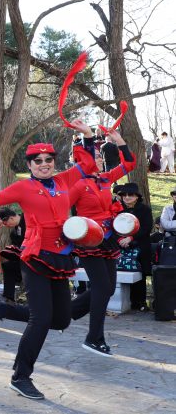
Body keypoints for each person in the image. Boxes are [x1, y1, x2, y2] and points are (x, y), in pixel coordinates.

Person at [0, 120, 97, 401]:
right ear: (31, 164)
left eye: (49, 159)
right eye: (38, 160)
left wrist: (87, 136)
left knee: (60, 320)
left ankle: (4, 309)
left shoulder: (63, 181)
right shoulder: (22, 188)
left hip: (60, 258)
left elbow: (88, 166)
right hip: (35, 257)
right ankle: (20, 376)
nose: (44, 164)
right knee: (41, 319)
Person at [68, 130, 135, 355]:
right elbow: (59, 211)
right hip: (89, 241)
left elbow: (130, 164)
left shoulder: (105, 179)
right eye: (94, 155)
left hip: (108, 241)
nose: (99, 158)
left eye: (99, 154)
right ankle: (93, 337)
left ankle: (68, 311)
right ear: (81, 160)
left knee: (105, 288)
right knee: (102, 287)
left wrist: (120, 142)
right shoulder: (77, 185)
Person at [119, 183, 154, 311]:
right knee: (122, 272)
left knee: (139, 274)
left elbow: (146, 228)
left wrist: (131, 238)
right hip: (121, 246)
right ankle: (123, 302)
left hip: (140, 245)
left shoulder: (145, 210)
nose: (127, 197)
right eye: (125, 195)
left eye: (130, 195)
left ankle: (139, 303)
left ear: (137, 197)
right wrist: (121, 240)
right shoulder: (117, 209)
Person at [0, 208, 25, 302]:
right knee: (7, 265)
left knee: (10, 266)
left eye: (6, 223)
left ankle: (10, 295)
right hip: (20, 257)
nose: (6, 226)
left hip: (32, 256)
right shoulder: (16, 228)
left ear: (11, 218)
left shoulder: (26, 221)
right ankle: (8, 296)